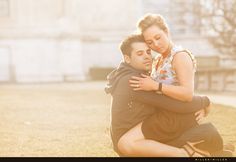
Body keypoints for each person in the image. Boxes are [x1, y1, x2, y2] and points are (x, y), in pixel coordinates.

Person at [105, 34, 223, 157]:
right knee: (188, 117)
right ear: (127, 59)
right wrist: (205, 101)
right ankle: (187, 154)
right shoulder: (134, 80)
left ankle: (213, 146)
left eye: (148, 52)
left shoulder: (128, 74)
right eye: (140, 54)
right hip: (132, 142)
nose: (147, 57)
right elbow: (172, 104)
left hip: (139, 135)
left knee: (185, 120)